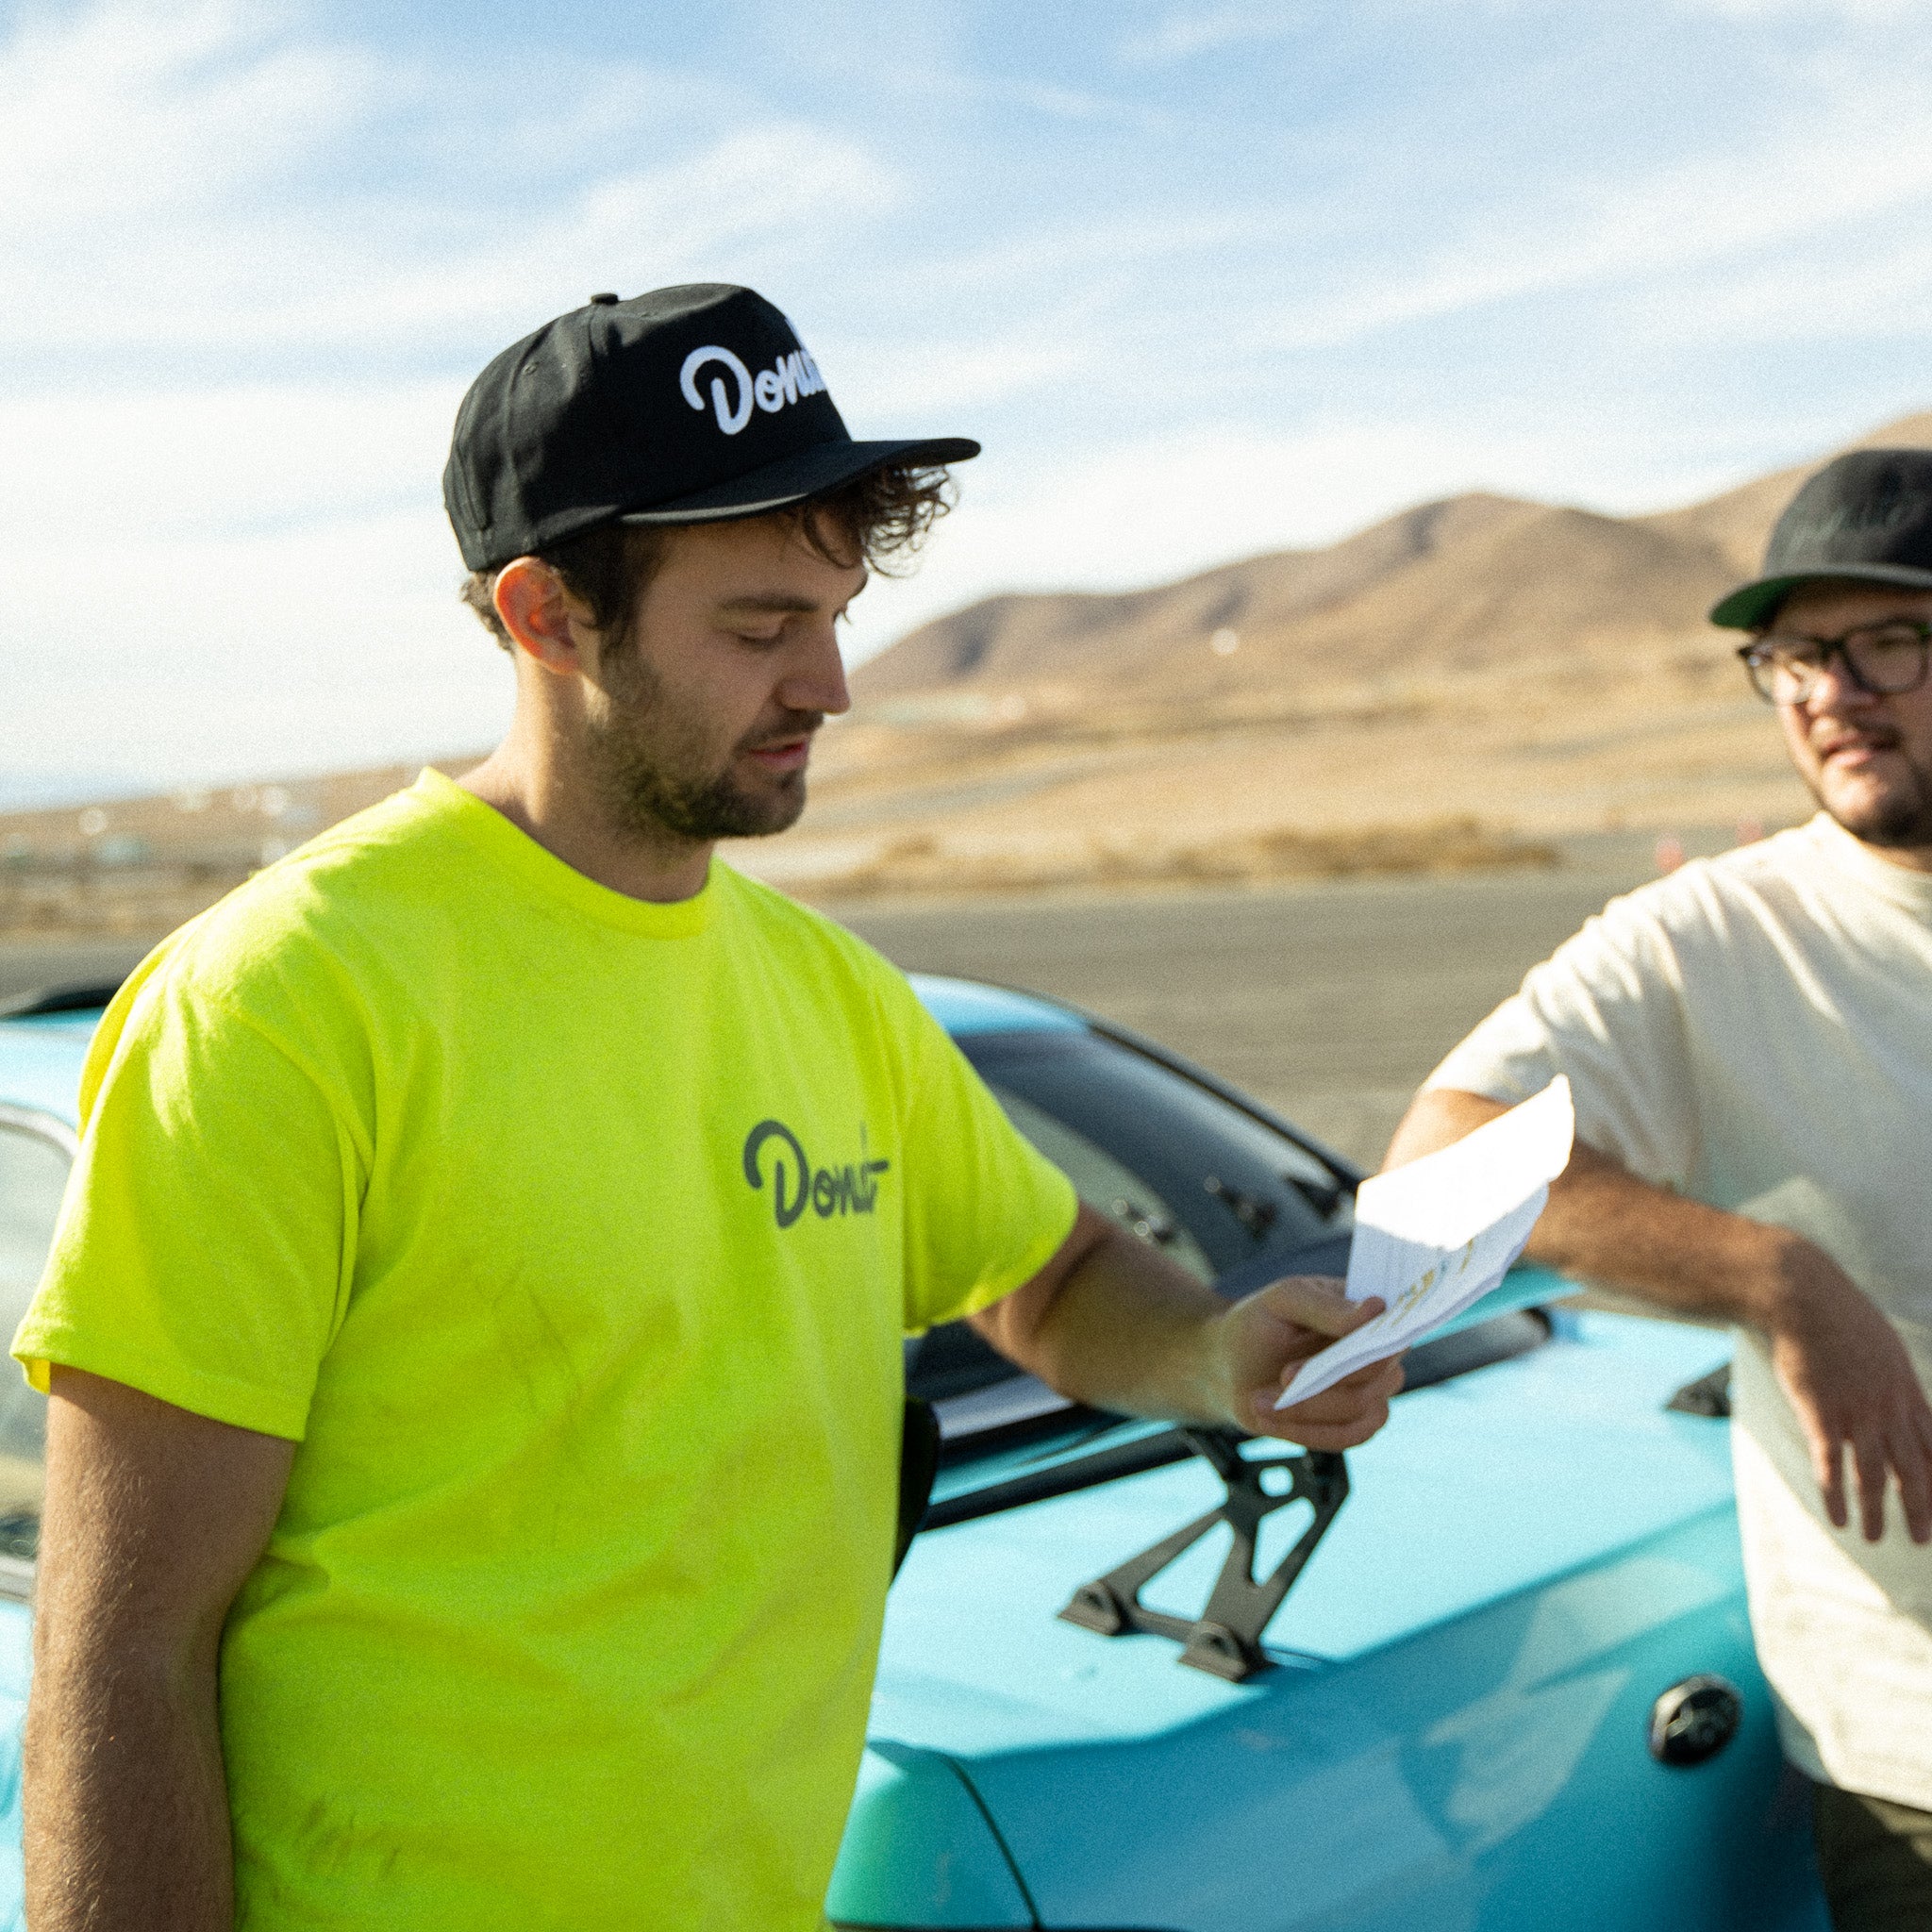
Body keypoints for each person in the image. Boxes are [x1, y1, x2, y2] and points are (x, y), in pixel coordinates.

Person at [14, 284, 1400, 1932]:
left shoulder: (831, 994)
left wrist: (1215, 1359)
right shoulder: (287, 1003)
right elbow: (124, 1648)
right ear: (546, 615)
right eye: (758, 629)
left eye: (835, 613)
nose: (829, 683)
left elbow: (1042, 1273)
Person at [1387, 448, 1932, 1928]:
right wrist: (1779, 1279)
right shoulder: (1714, 941)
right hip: (1919, 1757)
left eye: (1889, 638)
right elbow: (1433, 1189)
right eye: (1796, 656)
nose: (1831, 690)